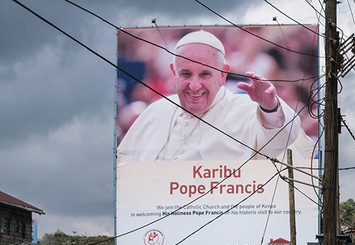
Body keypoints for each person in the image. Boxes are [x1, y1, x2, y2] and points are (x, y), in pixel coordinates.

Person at [118, 30, 301, 163]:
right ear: (174, 73)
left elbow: (280, 141)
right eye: (186, 74)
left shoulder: (246, 109)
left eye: (205, 74)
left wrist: (270, 108)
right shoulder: (155, 112)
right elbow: (123, 174)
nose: (195, 85)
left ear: (223, 74)